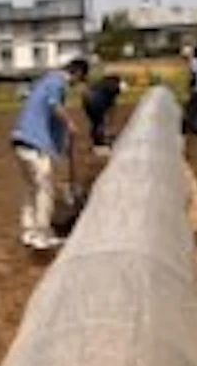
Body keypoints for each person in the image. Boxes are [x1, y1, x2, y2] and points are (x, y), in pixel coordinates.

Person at [11, 57, 90, 250]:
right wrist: (69, 124)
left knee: (31, 187)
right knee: (45, 189)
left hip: (20, 140)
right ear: (77, 73)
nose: (76, 84)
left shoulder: (45, 81)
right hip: (34, 144)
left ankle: (29, 231)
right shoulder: (57, 83)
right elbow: (54, 106)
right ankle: (42, 235)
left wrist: (60, 145)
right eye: (79, 80)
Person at [83, 74, 125, 155]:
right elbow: (110, 105)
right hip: (96, 102)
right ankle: (100, 143)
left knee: (96, 123)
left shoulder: (102, 84)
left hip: (89, 101)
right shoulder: (112, 87)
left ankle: (98, 141)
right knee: (100, 122)